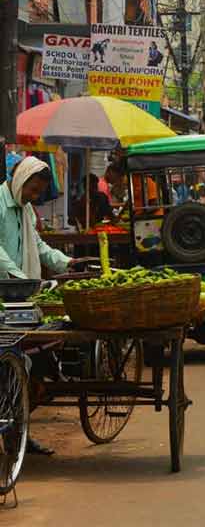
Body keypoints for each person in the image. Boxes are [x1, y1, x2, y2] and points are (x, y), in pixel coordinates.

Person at [0, 157, 81, 456]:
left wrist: (66, 262)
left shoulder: (25, 209)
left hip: (22, 298)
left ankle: (18, 435)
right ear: (21, 180)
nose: (33, 196)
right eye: (32, 190)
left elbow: (40, 246)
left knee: (28, 364)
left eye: (37, 193)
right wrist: (18, 276)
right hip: (6, 294)